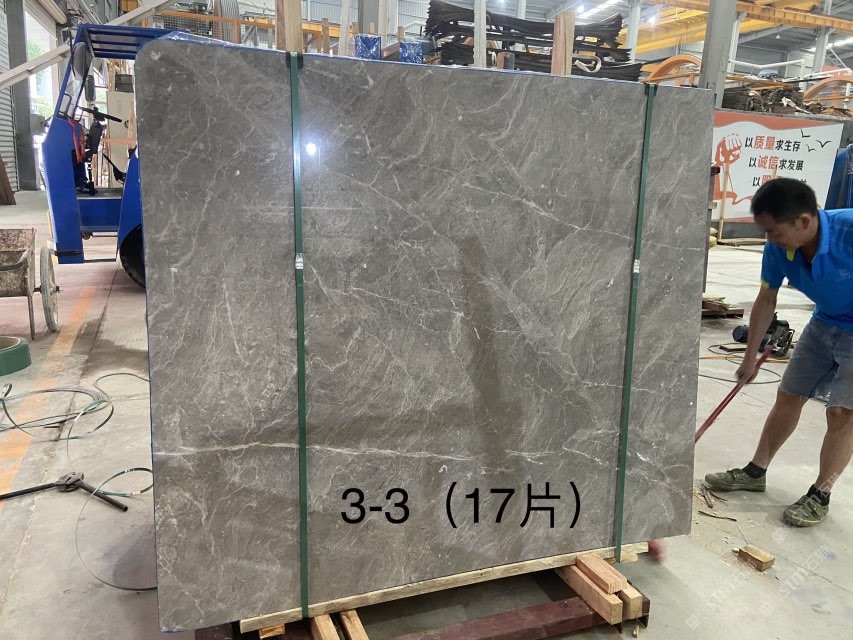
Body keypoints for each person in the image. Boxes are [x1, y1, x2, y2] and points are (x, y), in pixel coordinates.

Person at [704, 177, 853, 527]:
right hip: (823, 321)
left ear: (804, 221)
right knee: (788, 395)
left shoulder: (848, 231)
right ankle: (756, 472)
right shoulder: (778, 247)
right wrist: (749, 358)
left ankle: (821, 493)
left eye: (775, 232)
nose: (769, 239)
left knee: (842, 413)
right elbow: (766, 298)